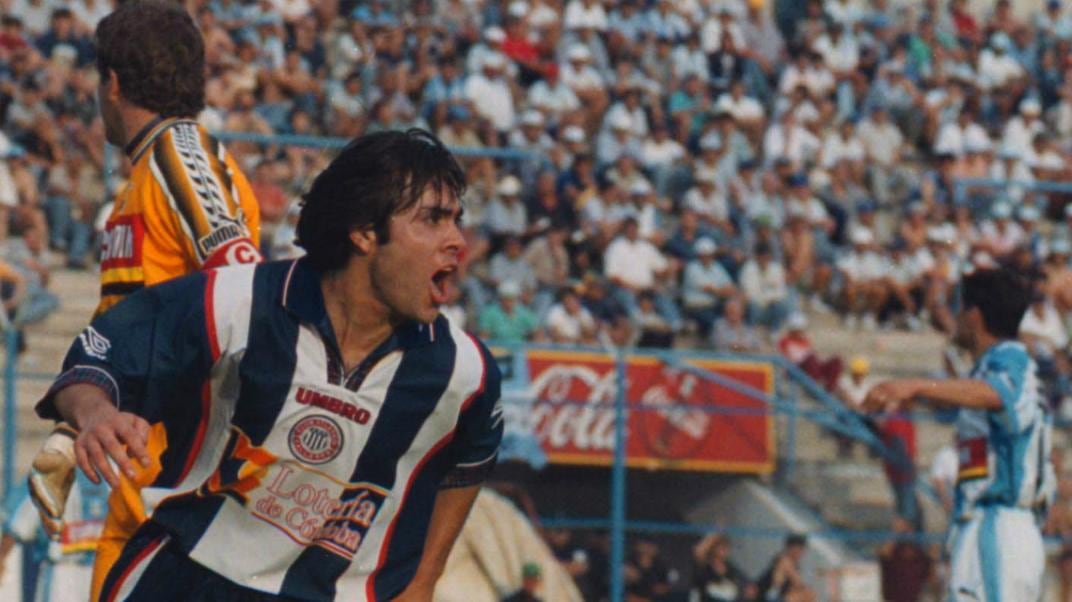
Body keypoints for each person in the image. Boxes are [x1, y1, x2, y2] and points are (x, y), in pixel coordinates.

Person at [33, 130, 503, 600]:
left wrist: (424, 579)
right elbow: (104, 351)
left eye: (456, 220)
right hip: (184, 576)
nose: (458, 241)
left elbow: (472, 454)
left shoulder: (464, 373)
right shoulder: (238, 302)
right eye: (433, 220)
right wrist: (94, 414)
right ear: (363, 230)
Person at [27, 0, 263, 567]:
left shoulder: (179, 156)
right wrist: (76, 424)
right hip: (148, 484)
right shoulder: (148, 173)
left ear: (110, 82)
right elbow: (135, 325)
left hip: (191, 491)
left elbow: (246, 289)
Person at [863, 268, 1056, 602]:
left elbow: (1002, 396)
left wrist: (917, 385)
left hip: (999, 527)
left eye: (960, 308)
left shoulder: (1010, 359)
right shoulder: (986, 367)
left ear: (974, 315)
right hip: (984, 526)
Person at [0, 471, 109, 602]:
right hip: (64, 571)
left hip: (99, 570)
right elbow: (16, 525)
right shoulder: (52, 471)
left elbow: (16, 525)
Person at [689, 533, 753, 602]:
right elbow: (698, 590)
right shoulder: (704, 568)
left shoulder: (730, 567)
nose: (726, 551)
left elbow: (742, 581)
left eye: (727, 547)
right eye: (722, 547)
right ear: (714, 548)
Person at [756, 534, 815, 602]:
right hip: (768, 597)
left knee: (807, 594)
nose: (801, 552)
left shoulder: (793, 564)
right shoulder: (784, 560)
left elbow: (794, 587)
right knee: (806, 594)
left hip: (777, 596)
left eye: (802, 549)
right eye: (798, 548)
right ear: (790, 547)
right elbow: (798, 582)